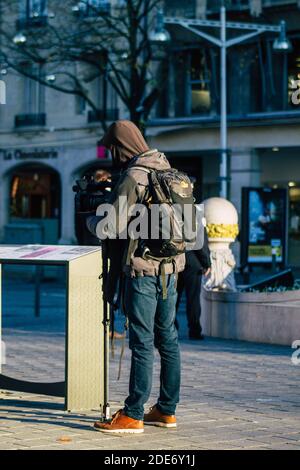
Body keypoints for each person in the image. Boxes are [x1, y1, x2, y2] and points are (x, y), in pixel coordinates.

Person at [86, 120, 185, 434]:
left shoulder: (134, 176)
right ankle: (166, 410)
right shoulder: (165, 169)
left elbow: (112, 226)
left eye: (111, 148)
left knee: (141, 342)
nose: (110, 153)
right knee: (167, 339)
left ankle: (133, 414)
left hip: (142, 269)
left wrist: (91, 219)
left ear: (120, 146)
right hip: (171, 269)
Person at [176, 228, 211, 340]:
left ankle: (171, 328)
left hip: (176, 261)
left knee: (173, 298)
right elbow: (200, 243)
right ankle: (194, 330)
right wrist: (206, 263)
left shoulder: (172, 212)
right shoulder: (194, 217)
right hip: (193, 262)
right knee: (193, 299)